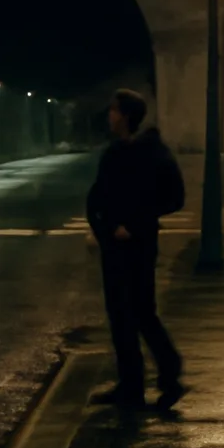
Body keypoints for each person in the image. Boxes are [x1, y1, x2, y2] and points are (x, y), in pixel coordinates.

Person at [86, 89, 186, 412]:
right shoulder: (115, 152)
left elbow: (173, 197)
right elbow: (98, 197)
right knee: (120, 315)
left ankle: (169, 371)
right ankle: (131, 385)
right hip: (114, 246)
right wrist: (103, 229)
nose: (110, 116)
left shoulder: (151, 153)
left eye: (114, 111)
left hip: (138, 244)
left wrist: (134, 224)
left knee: (141, 310)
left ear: (126, 115)